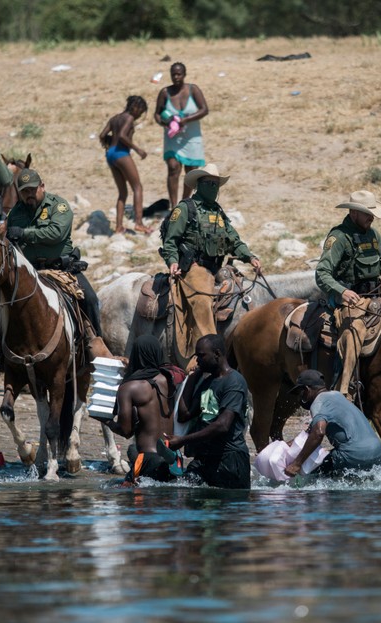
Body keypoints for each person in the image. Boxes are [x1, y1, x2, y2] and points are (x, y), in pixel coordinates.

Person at [160, 163, 261, 352]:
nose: (213, 187)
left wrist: (250, 257)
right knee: (202, 300)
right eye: (209, 183)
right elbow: (170, 241)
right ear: (199, 184)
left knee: (244, 293)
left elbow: (234, 241)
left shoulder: (218, 212)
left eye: (216, 184)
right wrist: (173, 261)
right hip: (195, 267)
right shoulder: (185, 209)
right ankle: (206, 352)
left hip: (217, 267)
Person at [315, 190, 381, 400]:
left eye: (372, 213)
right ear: (354, 213)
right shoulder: (339, 237)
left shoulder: (373, 234)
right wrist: (342, 292)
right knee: (354, 331)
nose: (371, 217)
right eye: (366, 213)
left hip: (376, 296)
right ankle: (345, 390)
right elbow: (322, 273)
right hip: (349, 298)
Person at [5, 168, 103, 339]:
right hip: (29, 271)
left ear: (42, 186)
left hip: (62, 269)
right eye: (25, 191)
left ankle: (96, 346)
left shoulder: (58, 206)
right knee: (3, 306)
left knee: (90, 300)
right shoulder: (15, 212)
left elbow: (56, 233)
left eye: (32, 190)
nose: (29, 194)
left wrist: (24, 233)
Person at [166, 334, 251, 489]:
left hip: (229, 460)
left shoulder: (234, 382)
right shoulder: (207, 382)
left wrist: (182, 440)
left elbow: (223, 425)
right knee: (183, 493)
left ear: (217, 354)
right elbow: (184, 415)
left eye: (201, 356)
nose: (197, 360)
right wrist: (192, 377)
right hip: (204, 458)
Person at [284, 370, 381, 478]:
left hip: (353, 454)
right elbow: (308, 435)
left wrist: (296, 464)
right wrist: (283, 446)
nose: (300, 398)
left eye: (300, 393)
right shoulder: (337, 396)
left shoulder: (318, 403)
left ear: (307, 390)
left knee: (311, 475)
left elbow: (318, 433)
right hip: (376, 452)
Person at [106, 335, 177, 484]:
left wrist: (107, 421)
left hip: (147, 459)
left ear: (135, 355)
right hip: (173, 459)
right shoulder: (170, 381)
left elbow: (126, 432)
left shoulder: (129, 388)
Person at [154, 62, 209, 207]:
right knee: (173, 168)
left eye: (179, 74)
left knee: (191, 171)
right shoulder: (165, 92)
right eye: (173, 74)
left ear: (184, 75)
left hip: (192, 137)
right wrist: (165, 123)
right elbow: (157, 114)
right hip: (173, 137)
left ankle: (184, 203)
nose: (176, 77)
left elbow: (204, 109)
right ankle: (173, 206)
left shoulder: (193, 89)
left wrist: (185, 120)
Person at [99, 95, 152, 235]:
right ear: (135, 107)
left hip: (110, 154)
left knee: (123, 193)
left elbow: (102, 134)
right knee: (137, 187)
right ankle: (139, 224)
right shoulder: (129, 118)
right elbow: (122, 135)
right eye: (140, 111)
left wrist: (107, 144)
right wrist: (137, 149)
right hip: (121, 153)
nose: (140, 114)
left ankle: (118, 227)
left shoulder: (114, 118)